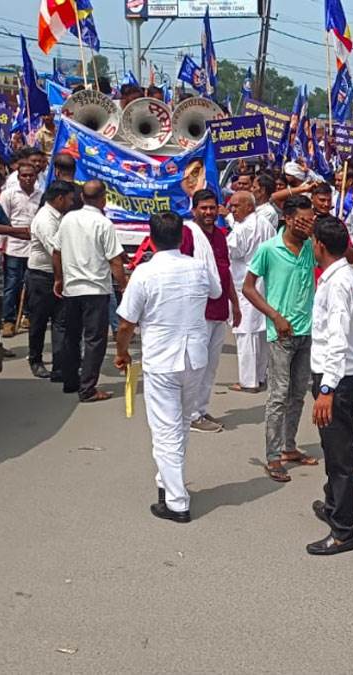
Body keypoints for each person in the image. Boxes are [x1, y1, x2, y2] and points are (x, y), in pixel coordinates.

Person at [114, 212, 222, 523]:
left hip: (162, 360)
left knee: (165, 431)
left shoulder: (145, 274)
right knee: (179, 427)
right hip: (193, 357)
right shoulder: (198, 267)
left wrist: (121, 353)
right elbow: (215, 292)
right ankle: (167, 481)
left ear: (152, 237)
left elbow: (125, 323)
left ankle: (176, 501)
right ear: (180, 236)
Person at [245, 195, 320, 483]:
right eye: (302, 220)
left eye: (310, 220)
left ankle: (289, 446)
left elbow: (346, 258)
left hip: (307, 331)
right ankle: (273, 455)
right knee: (278, 395)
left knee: (298, 393)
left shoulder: (312, 247)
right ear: (287, 219)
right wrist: (274, 316)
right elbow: (248, 288)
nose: (306, 225)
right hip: (281, 333)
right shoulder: (269, 249)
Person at [306, 216, 353, 555]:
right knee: (331, 447)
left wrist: (327, 390)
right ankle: (333, 504)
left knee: (340, 453)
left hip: (338, 377)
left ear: (321, 245)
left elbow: (339, 337)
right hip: (333, 374)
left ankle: (344, 530)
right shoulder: (340, 277)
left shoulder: (341, 282)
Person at [53, 180, 126, 403]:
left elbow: (56, 252)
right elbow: (115, 260)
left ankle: (71, 381)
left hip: (73, 288)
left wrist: (58, 278)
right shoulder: (103, 223)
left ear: (83, 198)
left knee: (72, 336)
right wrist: (123, 284)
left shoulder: (67, 220)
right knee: (94, 340)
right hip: (95, 290)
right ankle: (87, 389)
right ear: (103, 198)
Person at [182, 190, 242, 433]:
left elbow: (225, 273)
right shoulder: (187, 234)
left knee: (210, 365)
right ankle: (191, 414)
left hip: (219, 310)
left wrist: (235, 304)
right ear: (194, 209)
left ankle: (202, 410)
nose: (208, 212)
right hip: (197, 312)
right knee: (195, 365)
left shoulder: (220, 235)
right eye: (203, 208)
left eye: (212, 208)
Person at [25, 180, 77, 381]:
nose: (72, 203)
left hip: (58, 276)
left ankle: (60, 365)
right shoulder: (45, 220)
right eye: (70, 199)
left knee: (61, 322)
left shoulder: (60, 217)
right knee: (38, 321)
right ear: (60, 198)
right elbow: (56, 250)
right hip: (42, 277)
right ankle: (35, 360)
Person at [226, 191, 274, 393]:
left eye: (237, 206)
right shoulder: (266, 224)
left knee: (245, 332)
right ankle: (260, 376)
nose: (233, 210)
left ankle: (248, 381)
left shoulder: (242, 228)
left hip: (245, 282)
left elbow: (233, 251)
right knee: (261, 331)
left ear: (249, 206)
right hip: (263, 281)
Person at [0, 162, 41, 337]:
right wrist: (1, 247)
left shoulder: (41, 196)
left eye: (31, 175)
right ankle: (8, 320)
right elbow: (3, 222)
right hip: (14, 247)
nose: (28, 178)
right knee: (11, 286)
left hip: (34, 247)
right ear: (18, 177)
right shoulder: (8, 195)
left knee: (31, 285)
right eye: (24, 175)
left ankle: (28, 316)